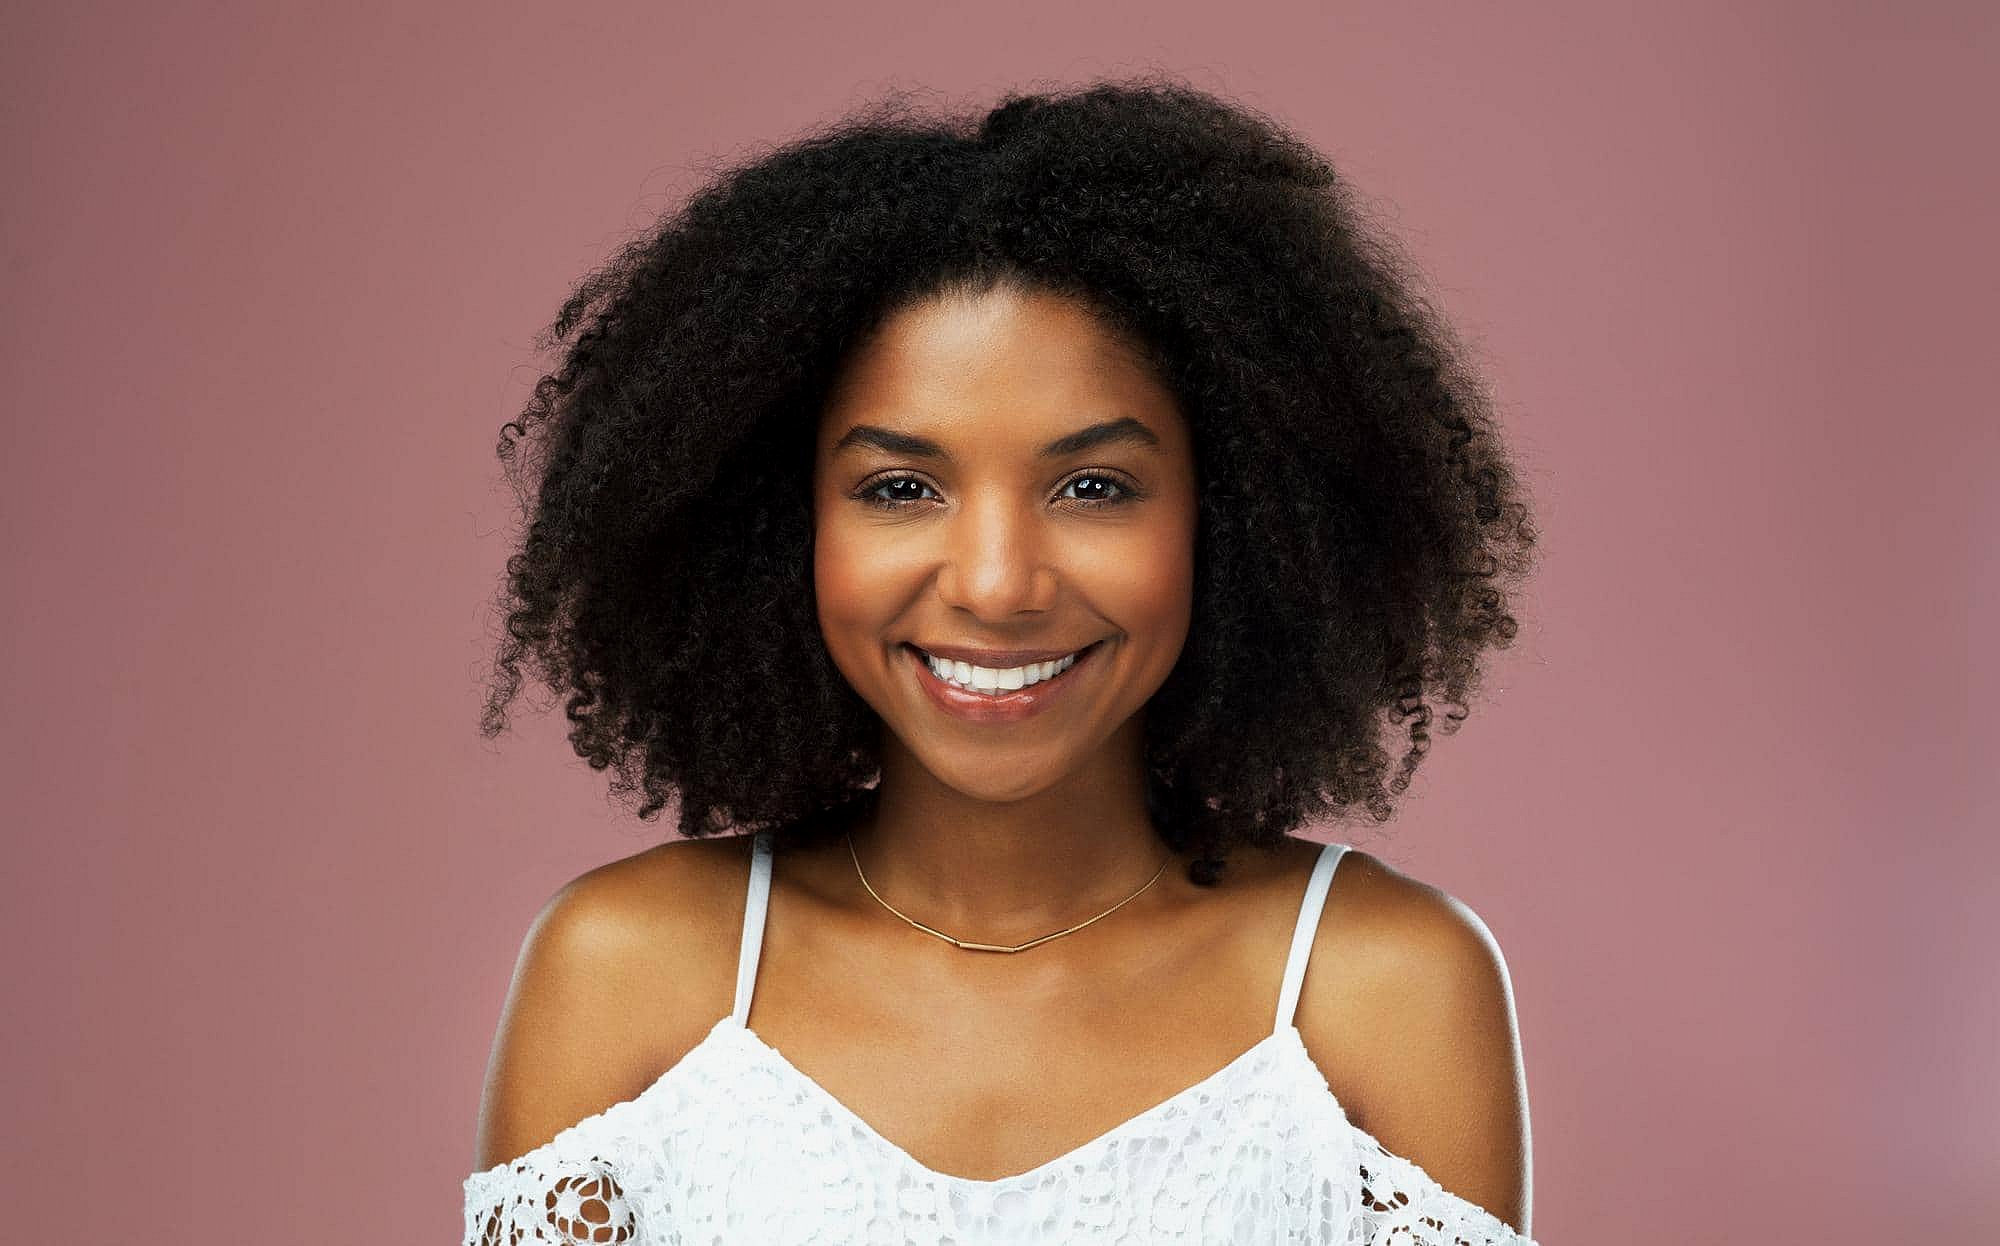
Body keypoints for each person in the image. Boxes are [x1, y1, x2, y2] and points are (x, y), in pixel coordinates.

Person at [461, 75, 1542, 1244]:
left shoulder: (1382, 990)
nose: (994, 582)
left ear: (1232, 517)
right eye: (900, 487)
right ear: (778, 524)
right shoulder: (625, 975)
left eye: (1092, 486)